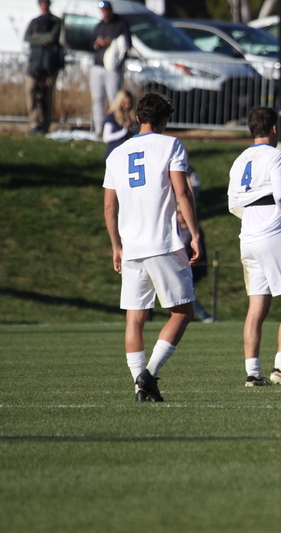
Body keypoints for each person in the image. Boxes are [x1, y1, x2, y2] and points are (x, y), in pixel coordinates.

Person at [103, 93, 201, 402]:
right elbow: (182, 191)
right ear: (163, 120)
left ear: (137, 118)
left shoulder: (116, 154)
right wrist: (195, 233)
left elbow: (109, 208)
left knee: (135, 318)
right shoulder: (170, 145)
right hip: (163, 242)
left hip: (131, 246)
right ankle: (149, 373)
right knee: (182, 312)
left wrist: (116, 246)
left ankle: (138, 385)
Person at [228, 107, 281, 387]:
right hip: (272, 229)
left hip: (247, 235)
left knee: (257, 305)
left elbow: (232, 204)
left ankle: (253, 373)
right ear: (274, 128)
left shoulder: (239, 160)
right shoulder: (276, 155)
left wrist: (252, 217)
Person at [178, 166, 214, 323]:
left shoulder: (193, 232)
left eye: (182, 212)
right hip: (179, 266)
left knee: (186, 294)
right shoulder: (176, 230)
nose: (180, 215)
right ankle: (200, 316)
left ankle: (203, 316)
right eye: (178, 212)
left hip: (190, 266)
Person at [91, 1, 131, 137]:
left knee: (115, 98)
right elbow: (91, 44)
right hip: (98, 65)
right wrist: (97, 44)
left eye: (106, 10)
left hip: (113, 69)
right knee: (97, 99)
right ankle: (99, 128)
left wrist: (110, 42)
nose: (105, 13)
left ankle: (117, 126)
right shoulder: (99, 25)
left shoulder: (120, 25)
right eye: (102, 10)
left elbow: (126, 46)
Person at [23, 0, 63, 135]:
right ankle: (34, 123)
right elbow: (28, 37)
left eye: (46, 3)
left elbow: (52, 37)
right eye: (42, 3)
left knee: (46, 95)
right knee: (30, 90)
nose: (44, 6)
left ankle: (45, 125)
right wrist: (42, 39)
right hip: (35, 63)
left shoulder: (56, 21)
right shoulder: (35, 21)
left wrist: (37, 37)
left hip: (50, 64)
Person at [102, 89, 137, 159]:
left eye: (129, 103)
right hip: (115, 153)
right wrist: (124, 131)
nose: (127, 106)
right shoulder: (111, 117)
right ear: (119, 103)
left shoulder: (131, 116)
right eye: (124, 103)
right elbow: (106, 138)